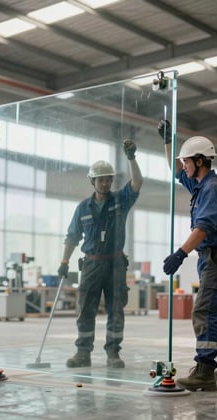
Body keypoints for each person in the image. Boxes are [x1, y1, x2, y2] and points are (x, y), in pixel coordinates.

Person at [158, 120, 217, 392]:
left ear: (200, 161)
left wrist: (180, 253)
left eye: (187, 161)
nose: (184, 165)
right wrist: (168, 141)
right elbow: (175, 170)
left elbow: (204, 227)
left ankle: (204, 371)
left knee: (206, 310)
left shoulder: (210, 188)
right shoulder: (202, 183)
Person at [58, 140, 143, 368]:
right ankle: (83, 353)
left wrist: (131, 158)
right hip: (91, 265)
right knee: (86, 309)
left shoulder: (120, 201)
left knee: (116, 309)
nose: (105, 183)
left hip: (115, 264)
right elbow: (72, 236)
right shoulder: (82, 208)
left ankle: (113, 352)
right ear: (92, 181)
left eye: (108, 179)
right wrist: (64, 261)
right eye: (101, 179)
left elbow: (137, 182)